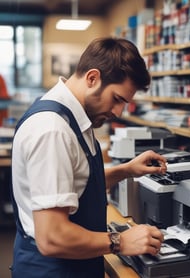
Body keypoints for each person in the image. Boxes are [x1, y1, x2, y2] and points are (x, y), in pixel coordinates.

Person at [10, 37, 167, 278]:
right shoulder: (53, 129)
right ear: (92, 78)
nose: (118, 112)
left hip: (73, 265)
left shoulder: (73, 116)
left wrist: (126, 170)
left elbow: (74, 182)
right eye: (117, 99)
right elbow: (52, 238)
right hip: (54, 269)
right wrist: (120, 241)